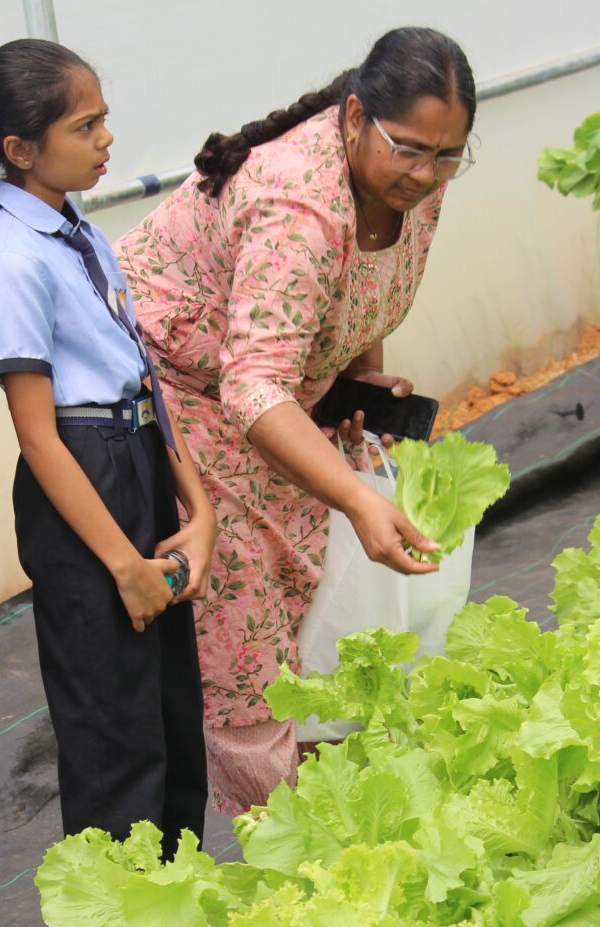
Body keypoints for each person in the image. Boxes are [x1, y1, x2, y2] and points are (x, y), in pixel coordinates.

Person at [116, 26, 477, 814]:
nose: (426, 173)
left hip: (273, 400)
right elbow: (251, 387)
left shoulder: (415, 180)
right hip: (180, 397)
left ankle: (328, 812)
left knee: (303, 606)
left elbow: (366, 280)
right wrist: (357, 499)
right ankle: (287, 841)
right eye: (410, 150)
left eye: (448, 156)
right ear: (354, 119)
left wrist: (357, 376)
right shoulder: (296, 206)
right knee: (247, 641)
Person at [0, 39, 215, 859]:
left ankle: (177, 893)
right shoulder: (10, 256)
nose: (107, 138)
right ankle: (120, 901)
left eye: (104, 119)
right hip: (84, 474)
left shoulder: (81, 233)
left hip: (137, 453)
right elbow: (37, 435)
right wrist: (123, 564)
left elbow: (144, 375)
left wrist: (199, 507)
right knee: (116, 733)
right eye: (85, 125)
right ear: (20, 149)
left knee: (172, 718)